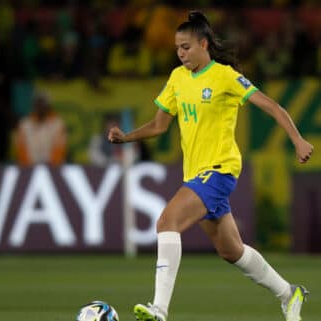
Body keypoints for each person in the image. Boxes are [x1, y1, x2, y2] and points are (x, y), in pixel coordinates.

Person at [108, 12, 313, 321]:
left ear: (203, 44)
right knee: (232, 251)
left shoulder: (225, 76)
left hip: (220, 169)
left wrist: (297, 140)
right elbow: (159, 125)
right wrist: (127, 138)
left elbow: (271, 106)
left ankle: (159, 310)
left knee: (167, 223)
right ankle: (288, 293)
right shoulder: (177, 78)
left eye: (186, 47)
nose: (181, 53)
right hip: (196, 173)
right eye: (177, 47)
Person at [13, 91, 67, 166]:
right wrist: (28, 167)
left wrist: (52, 167)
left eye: (43, 103)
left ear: (48, 105)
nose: (40, 106)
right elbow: (21, 148)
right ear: (33, 105)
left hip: (52, 168)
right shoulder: (24, 124)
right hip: (28, 168)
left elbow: (60, 148)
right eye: (38, 103)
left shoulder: (58, 124)